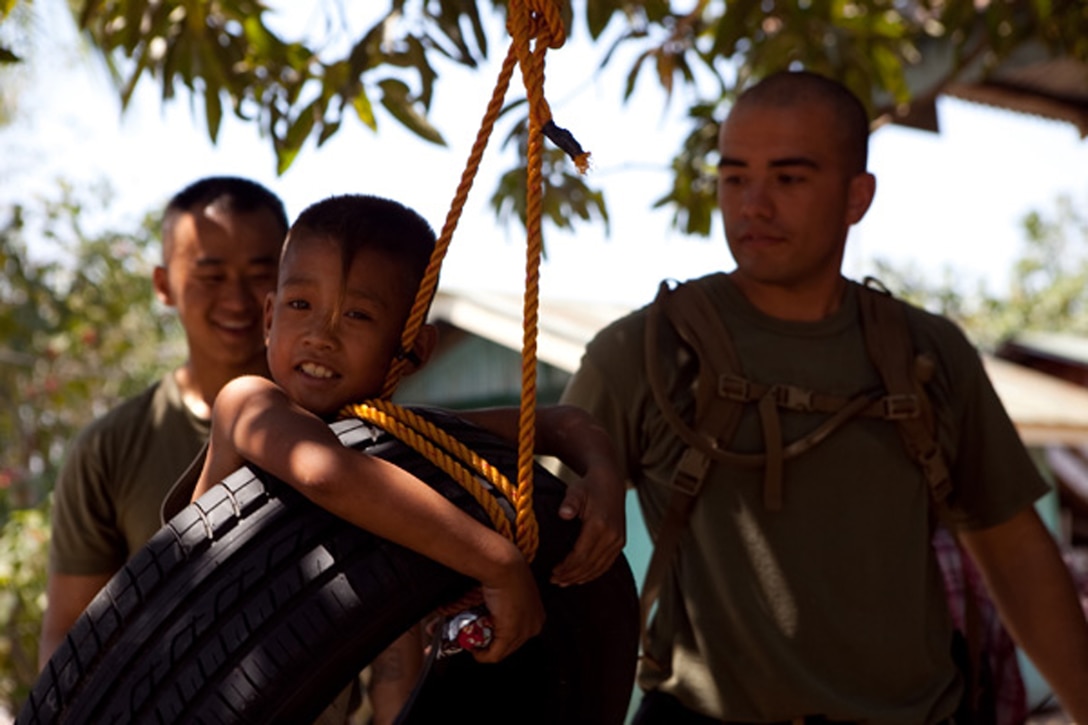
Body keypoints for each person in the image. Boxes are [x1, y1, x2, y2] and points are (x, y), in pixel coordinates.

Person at [560, 70, 1088, 723]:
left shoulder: (927, 355)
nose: (752, 203)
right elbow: (545, 539)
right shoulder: (646, 350)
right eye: (733, 176)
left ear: (856, 196)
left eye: (789, 178)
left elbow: (1015, 554)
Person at [185, 193, 626, 722]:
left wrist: (602, 479)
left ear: (415, 348)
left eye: (358, 315)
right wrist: (498, 562)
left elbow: (562, 423)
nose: (321, 335)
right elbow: (324, 471)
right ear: (269, 316)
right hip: (191, 697)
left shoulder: (407, 440)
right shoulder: (247, 405)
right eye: (301, 305)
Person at [40, 176, 289, 668]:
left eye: (261, 273)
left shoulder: (339, 425)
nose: (238, 299)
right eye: (211, 276)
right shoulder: (110, 449)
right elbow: (67, 645)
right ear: (163, 286)